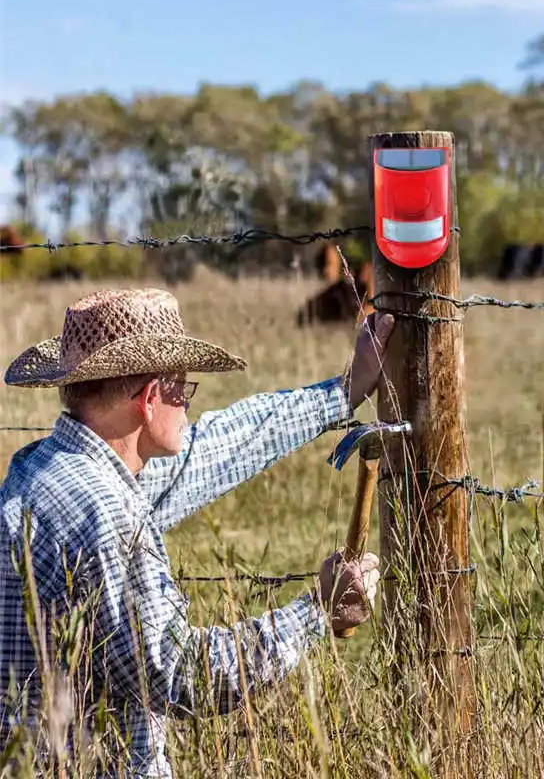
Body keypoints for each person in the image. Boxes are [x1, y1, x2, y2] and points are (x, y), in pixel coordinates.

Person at [0, 286, 396, 778]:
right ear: (149, 399)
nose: (187, 407)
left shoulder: (44, 468)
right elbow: (182, 674)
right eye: (183, 390)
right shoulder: (107, 514)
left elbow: (214, 449)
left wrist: (344, 391)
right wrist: (315, 611)